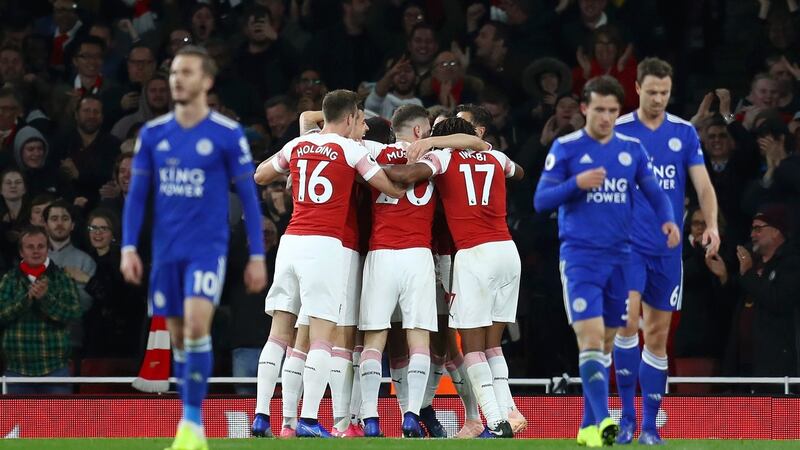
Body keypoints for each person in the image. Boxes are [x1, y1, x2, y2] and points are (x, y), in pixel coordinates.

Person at [121, 46, 267, 450]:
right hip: (166, 252)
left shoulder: (226, 133)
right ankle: (189, 419)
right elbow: (137, 195)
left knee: (198, 324)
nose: (177, 80)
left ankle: (191, 424)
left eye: (186, 72)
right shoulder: (153, 134)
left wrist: (256, 255)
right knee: (180, 336)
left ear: (206, 81)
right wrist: (128, 247)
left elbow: (250, 198)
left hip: (207, 248)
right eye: (173, 74)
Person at [533, 75, 680, 447]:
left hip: (622, 258)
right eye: (599, 109)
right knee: (591, 338)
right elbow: (540, 200)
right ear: (585, 109)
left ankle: (585, 426)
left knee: (610, 341)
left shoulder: (630, 149)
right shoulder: (566, 148)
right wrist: (575, 184)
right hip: (581, 258)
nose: (606, 117)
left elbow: (654, 190)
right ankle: (603, 423)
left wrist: (667, 220)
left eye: (613, 111)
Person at [251, 89, 405, 438]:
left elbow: (260, 175)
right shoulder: (350, 149)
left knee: (279, 332)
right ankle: (307, 419)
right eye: (359, 119)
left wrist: (293, 175)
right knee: (322, 336)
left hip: (291, 242)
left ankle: (261, 415)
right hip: (325, 246)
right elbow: (388, 188)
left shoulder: (297, 146)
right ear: (351, 117)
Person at [385, 116, 525, 438]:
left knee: (472, 347)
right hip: (507, 251)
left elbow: (406, 174)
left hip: (474, 255)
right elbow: (519, 172)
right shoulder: (496, 156)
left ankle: (494, 420)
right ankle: (508, 411)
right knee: (494, 346)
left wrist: (369, 170)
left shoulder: (442, 157)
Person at [357, 105, 488, 438]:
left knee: (375, 340)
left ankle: (369, 419)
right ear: (418, 131)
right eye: (428, 129)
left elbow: (328, 136)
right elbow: (480, 147)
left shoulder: (374, 151)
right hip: (420, 255)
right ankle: (412, 415)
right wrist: (431, 146)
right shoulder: (436, 159)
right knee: (421, 342)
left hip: (381, 254)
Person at [613, 58, 720, 446]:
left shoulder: (684, 132)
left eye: (665, 92)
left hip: (667, 252)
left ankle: (649, 427)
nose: (658, 98)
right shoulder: (620, 131)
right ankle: (626, 419)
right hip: (627, 249)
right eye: (652, 91)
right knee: (626, 329)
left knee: (656, 336)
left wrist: (711, 224)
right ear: (638, 88)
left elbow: (703, 186)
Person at [0, 226, 81, 394]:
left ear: (47, 249)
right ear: (21, 252)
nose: (36, 251)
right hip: (17, 369)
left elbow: (73, 313)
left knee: (58, 421)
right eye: (30, 247)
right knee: (18, 421)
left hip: (55, 368)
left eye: (40, 246)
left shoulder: (61, 278)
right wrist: (27, 299)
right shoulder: (9, 280)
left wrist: (45, 299)